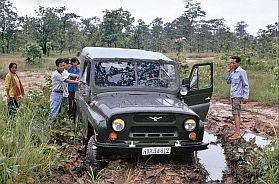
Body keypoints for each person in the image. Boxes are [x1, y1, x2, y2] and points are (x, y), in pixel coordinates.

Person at [48, 58, 80, 126]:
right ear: (57, 66)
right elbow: (66, 80)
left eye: (63, 65)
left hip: (62, 94)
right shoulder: (56, 74)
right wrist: (77, 82)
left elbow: (70, 74)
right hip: (56, 94)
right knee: (54, 112)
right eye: (61, 66)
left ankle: (57, 126)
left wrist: (78, 76)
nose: (63, 67)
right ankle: (49, 127)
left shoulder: (63, 71)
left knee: (61, 111)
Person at [226, 56, 249, 139]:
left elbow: (245, 85)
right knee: (236, 114)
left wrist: (245, 96)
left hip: (237, 96)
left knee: (236, 114)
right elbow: (228, 81)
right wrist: (228, 72)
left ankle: (238, 133)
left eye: (234, 63)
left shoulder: (242, 72)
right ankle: (237, 132)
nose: (232, 64)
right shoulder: (233, 72)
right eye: (231, 62)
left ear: (238, 63)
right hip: (233, 95)